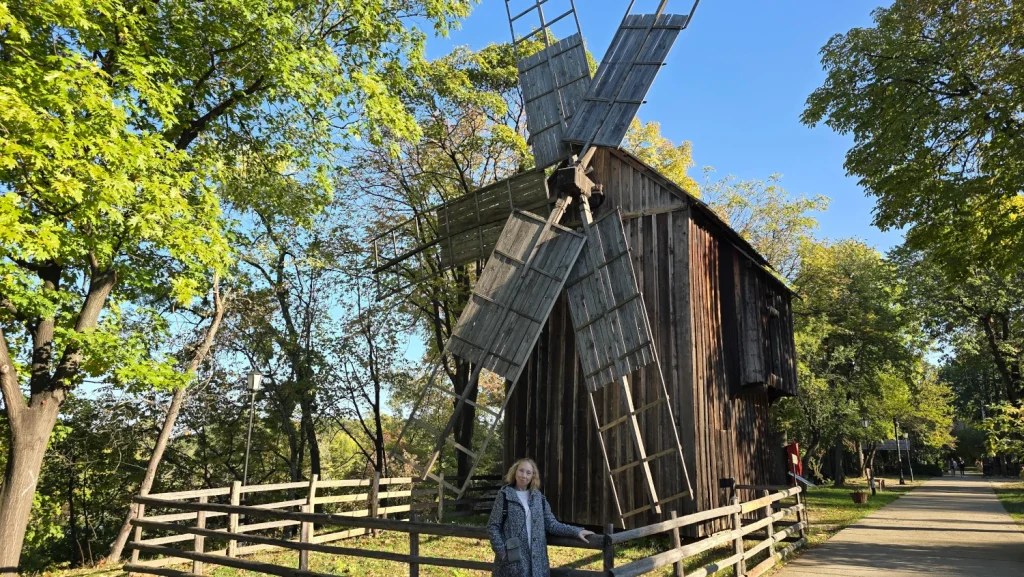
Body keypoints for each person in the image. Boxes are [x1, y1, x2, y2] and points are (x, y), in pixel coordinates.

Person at [487, 458, 594, 577]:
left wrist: (576, 531)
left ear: (533, 476)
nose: (524, 475)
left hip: (537, 564)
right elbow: (493, 526)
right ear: (515, 472)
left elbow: (552, 525)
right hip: (511, 563)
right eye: (521, 471)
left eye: (528, 472)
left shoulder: (538, 498)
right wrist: (502, 552)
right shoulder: (504, 495)